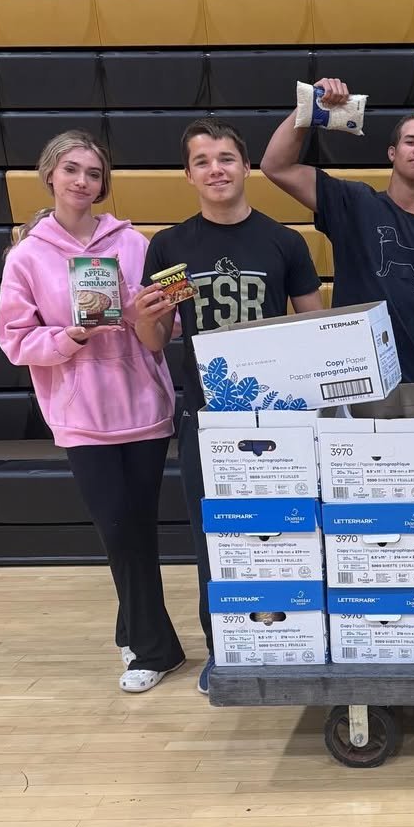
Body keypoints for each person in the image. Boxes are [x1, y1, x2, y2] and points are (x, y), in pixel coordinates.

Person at [132, 118, 324, 694]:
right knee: (214, 538)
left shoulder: (283, 241)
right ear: (188, 174)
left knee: (284, 533)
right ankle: (226, 646)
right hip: (206, 420)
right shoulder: (171, 247)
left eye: (225, 158)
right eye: (202, 161)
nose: (215, 169)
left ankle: (291, 634)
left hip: (276, 418)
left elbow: (315, 327)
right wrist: (143, 319)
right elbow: (155, 340)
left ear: (245, 167)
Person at [0, 130, 184, 693]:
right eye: (72, 170)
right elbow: (14, 341)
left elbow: (168, 325)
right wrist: (71, 336)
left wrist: (145, 313)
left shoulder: (133, 243)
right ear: (50, 175)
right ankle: (154, 647)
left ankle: (137, 633)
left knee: (137, 529)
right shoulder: (27, 255)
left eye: (94, 173)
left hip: (144, 408)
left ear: (104, 184)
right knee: (118, 531)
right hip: (81, 417)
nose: (83, 181)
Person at [260, 79, 414, 383]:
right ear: (392, 152)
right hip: (355, 382)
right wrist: (311, 105)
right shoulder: (354, 203)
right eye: (411, 142)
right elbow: (275, 166)